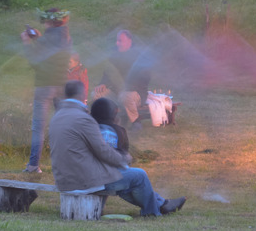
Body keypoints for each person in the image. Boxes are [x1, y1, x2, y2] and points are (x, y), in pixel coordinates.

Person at [49, 80, 185, 216]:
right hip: (84, 180)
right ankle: (154, 211)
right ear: (82, 93)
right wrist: (123, 159)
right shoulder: (83, 119)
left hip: (63, 178)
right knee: (139, 175)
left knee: (127, 179)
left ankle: (162, 204)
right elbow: (103, 150)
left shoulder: (57, 116)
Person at [20, 8, 72, 173]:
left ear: (49, 21)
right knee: (64, 126)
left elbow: (35, 62)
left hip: (44, 87)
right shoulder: (66, 37)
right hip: (62, 85)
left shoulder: (46, 39)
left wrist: (27, 42)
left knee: (39, 128)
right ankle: (67, 165)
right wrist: (40, 39)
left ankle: (34, 166)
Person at [94, 30, 151, 130]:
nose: (117, 43)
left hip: (135, 94)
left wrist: (126, 87)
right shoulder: (114, 56)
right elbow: (108, 74)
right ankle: (103, 121)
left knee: (125, 96)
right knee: (96, 94)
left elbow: (145, 78)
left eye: (120, 41)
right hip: (117, 93)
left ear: (129, 41)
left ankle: (136, 121)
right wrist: (103, 83)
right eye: (117, 40)